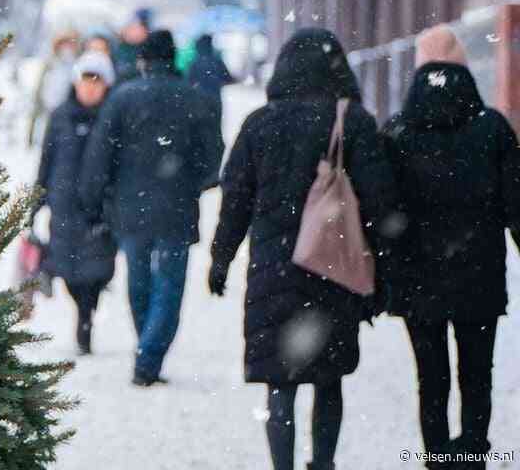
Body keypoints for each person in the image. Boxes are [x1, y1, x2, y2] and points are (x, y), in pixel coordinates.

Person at [208, 28, 395, 470]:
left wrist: (221, 258)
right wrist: (383, 272)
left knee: (280, 382)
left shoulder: (259, 124)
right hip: (335, 268)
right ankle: (324, 463)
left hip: (275, 272)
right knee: (329, 380)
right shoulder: (352, 122)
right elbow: (380, 202)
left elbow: (235, 198)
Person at [379, 26, 520, 469]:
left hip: (418, 277)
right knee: (478, 374)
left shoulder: (398, 131)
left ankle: (437, 456)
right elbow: (515, 203)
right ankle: (473, 451)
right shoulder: (492, 127)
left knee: (431, 376)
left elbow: (383, 207)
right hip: (479, 274)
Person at [79, 29, 224, 385]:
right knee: (170, 287)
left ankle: (146, 349)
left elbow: (100, 155)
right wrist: (195, 184)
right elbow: (213, 157)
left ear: (142, 60)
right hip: (177, 208)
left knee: (139, 281)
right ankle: (150, 355)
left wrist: (94, 201)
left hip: (131, 210)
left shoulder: (121, 98)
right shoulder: (195, 98)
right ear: (173, 59)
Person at [34, 50, 119, 355]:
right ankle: (82, 316)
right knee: (70, 273)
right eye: (86, 80)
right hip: (65, 206)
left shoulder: (113, 117)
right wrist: (36, 201)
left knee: (96, 273)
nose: (90, 88)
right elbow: (47, 161)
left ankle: (86, 318)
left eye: (97, 82)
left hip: (99, 210)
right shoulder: (59, 116)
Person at [28, 30, 81, 146]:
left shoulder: (78, 67)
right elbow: (40, 89)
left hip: (67, 114)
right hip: (46, 111)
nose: (67, 48)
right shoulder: (50, 64)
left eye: (71, 44)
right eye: (65, 44)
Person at [187, 33, 235, 114]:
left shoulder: (194, 62)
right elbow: (228, 78)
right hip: (215, 99)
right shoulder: (217, 61)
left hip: (199, 100)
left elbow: (189, 82)